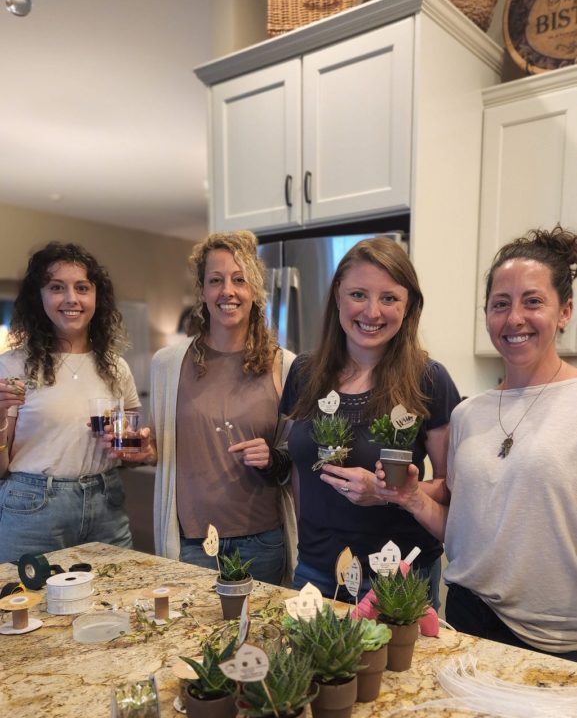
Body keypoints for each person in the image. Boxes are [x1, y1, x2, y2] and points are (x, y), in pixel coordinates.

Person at [378, 225, 577, 658]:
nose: (514, 318)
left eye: (533, 302)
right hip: (466, 621)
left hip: (554, 641)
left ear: (565, 311)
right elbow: (465, 532)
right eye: (500, 304)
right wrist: (412, 498)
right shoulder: (468, 414)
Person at [280, 236, 460, 607]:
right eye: (359, 294)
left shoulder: (429, 379)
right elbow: (300, 467)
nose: (372, 312)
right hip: (315, 570)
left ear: (408, 306)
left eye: (389, 298)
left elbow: (452, 487)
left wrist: (385, 493)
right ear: (337, 296)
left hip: (396, 576)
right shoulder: (303, 373)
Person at [146, 230, 295, 586]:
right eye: (215, 280)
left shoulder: (286, 366)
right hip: (191, 543)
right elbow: (159, 449)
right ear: (202, 291)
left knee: (261, 639)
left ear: (254, 291)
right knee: (191, 640)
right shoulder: (167, 364)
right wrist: (141, 449)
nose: (227, 291)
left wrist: (273, 457)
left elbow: (297, 459)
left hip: (263, 541)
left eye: (239, 280)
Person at [0, 241, 140, 563]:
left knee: (116, 601)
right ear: (40, 296)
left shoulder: (116, 367)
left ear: (96, 297)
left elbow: (130, 451)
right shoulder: (11, 366)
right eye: (56, 287)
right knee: (27, 607)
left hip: (107, 501)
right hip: (33, 507)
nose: (71, 299)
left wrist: (136, 446)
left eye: (82, 288)